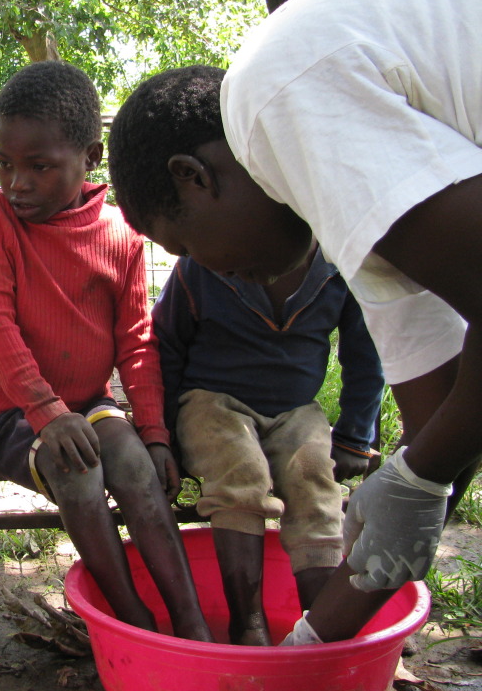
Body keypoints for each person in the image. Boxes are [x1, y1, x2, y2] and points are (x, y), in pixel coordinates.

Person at [109, 0, 482, 641]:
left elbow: (431, 457)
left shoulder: (271, 94)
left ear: (194, 178)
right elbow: (445, 431)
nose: (206, 270)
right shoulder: (366, 217)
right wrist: (311, 648)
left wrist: (420, 469)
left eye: (183, 242)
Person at [0, 60, 213, 640]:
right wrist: (48, 414)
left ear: (91, 158)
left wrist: (154, 432)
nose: (16, 182)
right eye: (5, 163)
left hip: (90, 407)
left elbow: (136, 341)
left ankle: (191, 622)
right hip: (10, 417)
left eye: (39, 166)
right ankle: (132, 623)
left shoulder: (121, 234)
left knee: (131, 464)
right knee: (75, 467)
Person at [153, 248, 384, 644]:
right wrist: (164, 435)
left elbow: (366, 353)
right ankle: (248, 621)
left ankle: (319, 628)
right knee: (242, 471)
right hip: (211, 402)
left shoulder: (339, 266)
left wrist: (354, 437)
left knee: (314, 480)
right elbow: (166, 343)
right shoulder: (203, 261)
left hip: (295, 409)